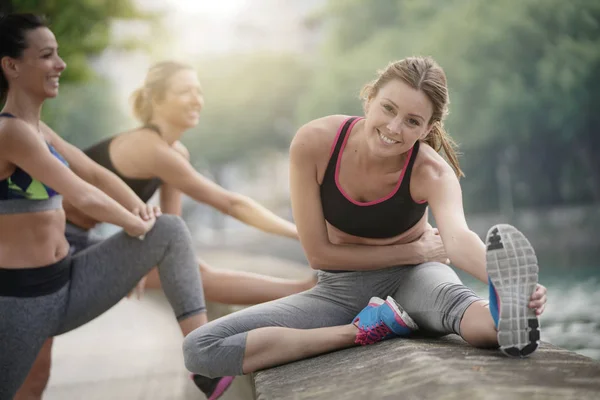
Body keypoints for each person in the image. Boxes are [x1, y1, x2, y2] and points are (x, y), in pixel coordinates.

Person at [181, 56, 548, 379]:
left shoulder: (432, 173)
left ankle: (504, 308)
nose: (393, 128)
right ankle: (366, 330)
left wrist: (506, 281)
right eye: (388, 109)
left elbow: (458, 240)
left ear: (427, 130)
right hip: (337, 292)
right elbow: (320, 256)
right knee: (201, 347)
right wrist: (414, 252)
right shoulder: (315, 143)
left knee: (486, 331)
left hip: (415, 281)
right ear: (369, 98)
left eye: (412, 121)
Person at [0, 13, 228, 400]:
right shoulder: (10, 132)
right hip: (21, 300)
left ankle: (205, 360)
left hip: (67, 281)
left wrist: (141, 215)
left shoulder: (40, 130)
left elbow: (97, 175)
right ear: (12, 66)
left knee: (170, 231)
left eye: (58, 54)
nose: (61, 64)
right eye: (47, 55)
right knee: (23, 386)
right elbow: (82, 194)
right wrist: (135, 227)